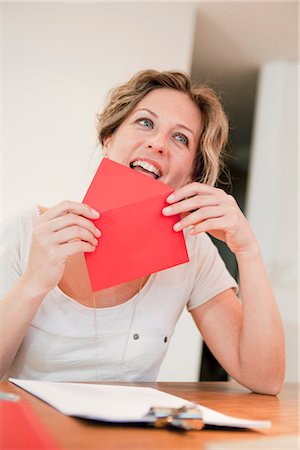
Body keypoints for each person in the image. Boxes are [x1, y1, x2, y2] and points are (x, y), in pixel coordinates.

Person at [1, 70, 284, 394]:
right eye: (146, 122)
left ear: (191, 172)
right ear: (110, 139)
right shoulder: (29, 230)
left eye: (181, 138)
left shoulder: (193, 250)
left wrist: (248, 251)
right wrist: (33, 284)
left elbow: (265, 378)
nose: (157, 143)